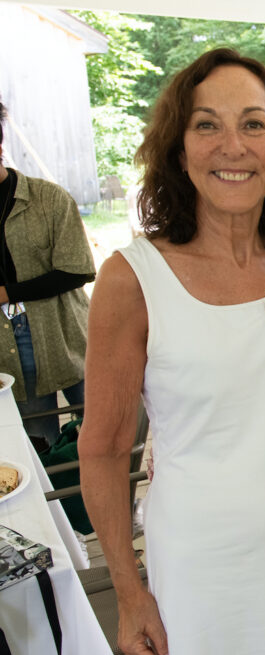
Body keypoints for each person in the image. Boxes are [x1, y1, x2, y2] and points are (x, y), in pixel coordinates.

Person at [78, 48, 265, 655]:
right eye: (207, 125)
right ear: (179, 151)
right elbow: (101, 448)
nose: (231, 146)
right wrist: (128, 592)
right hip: (204, 564)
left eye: (253, 124)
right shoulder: (134, 279)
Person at [0, 98, 94, 449]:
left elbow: (77, 270)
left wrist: (7, 293)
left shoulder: (48, 199)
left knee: (98, 423)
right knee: (41, 442)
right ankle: (58, 500)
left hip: (65, 330)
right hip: (6, 345)